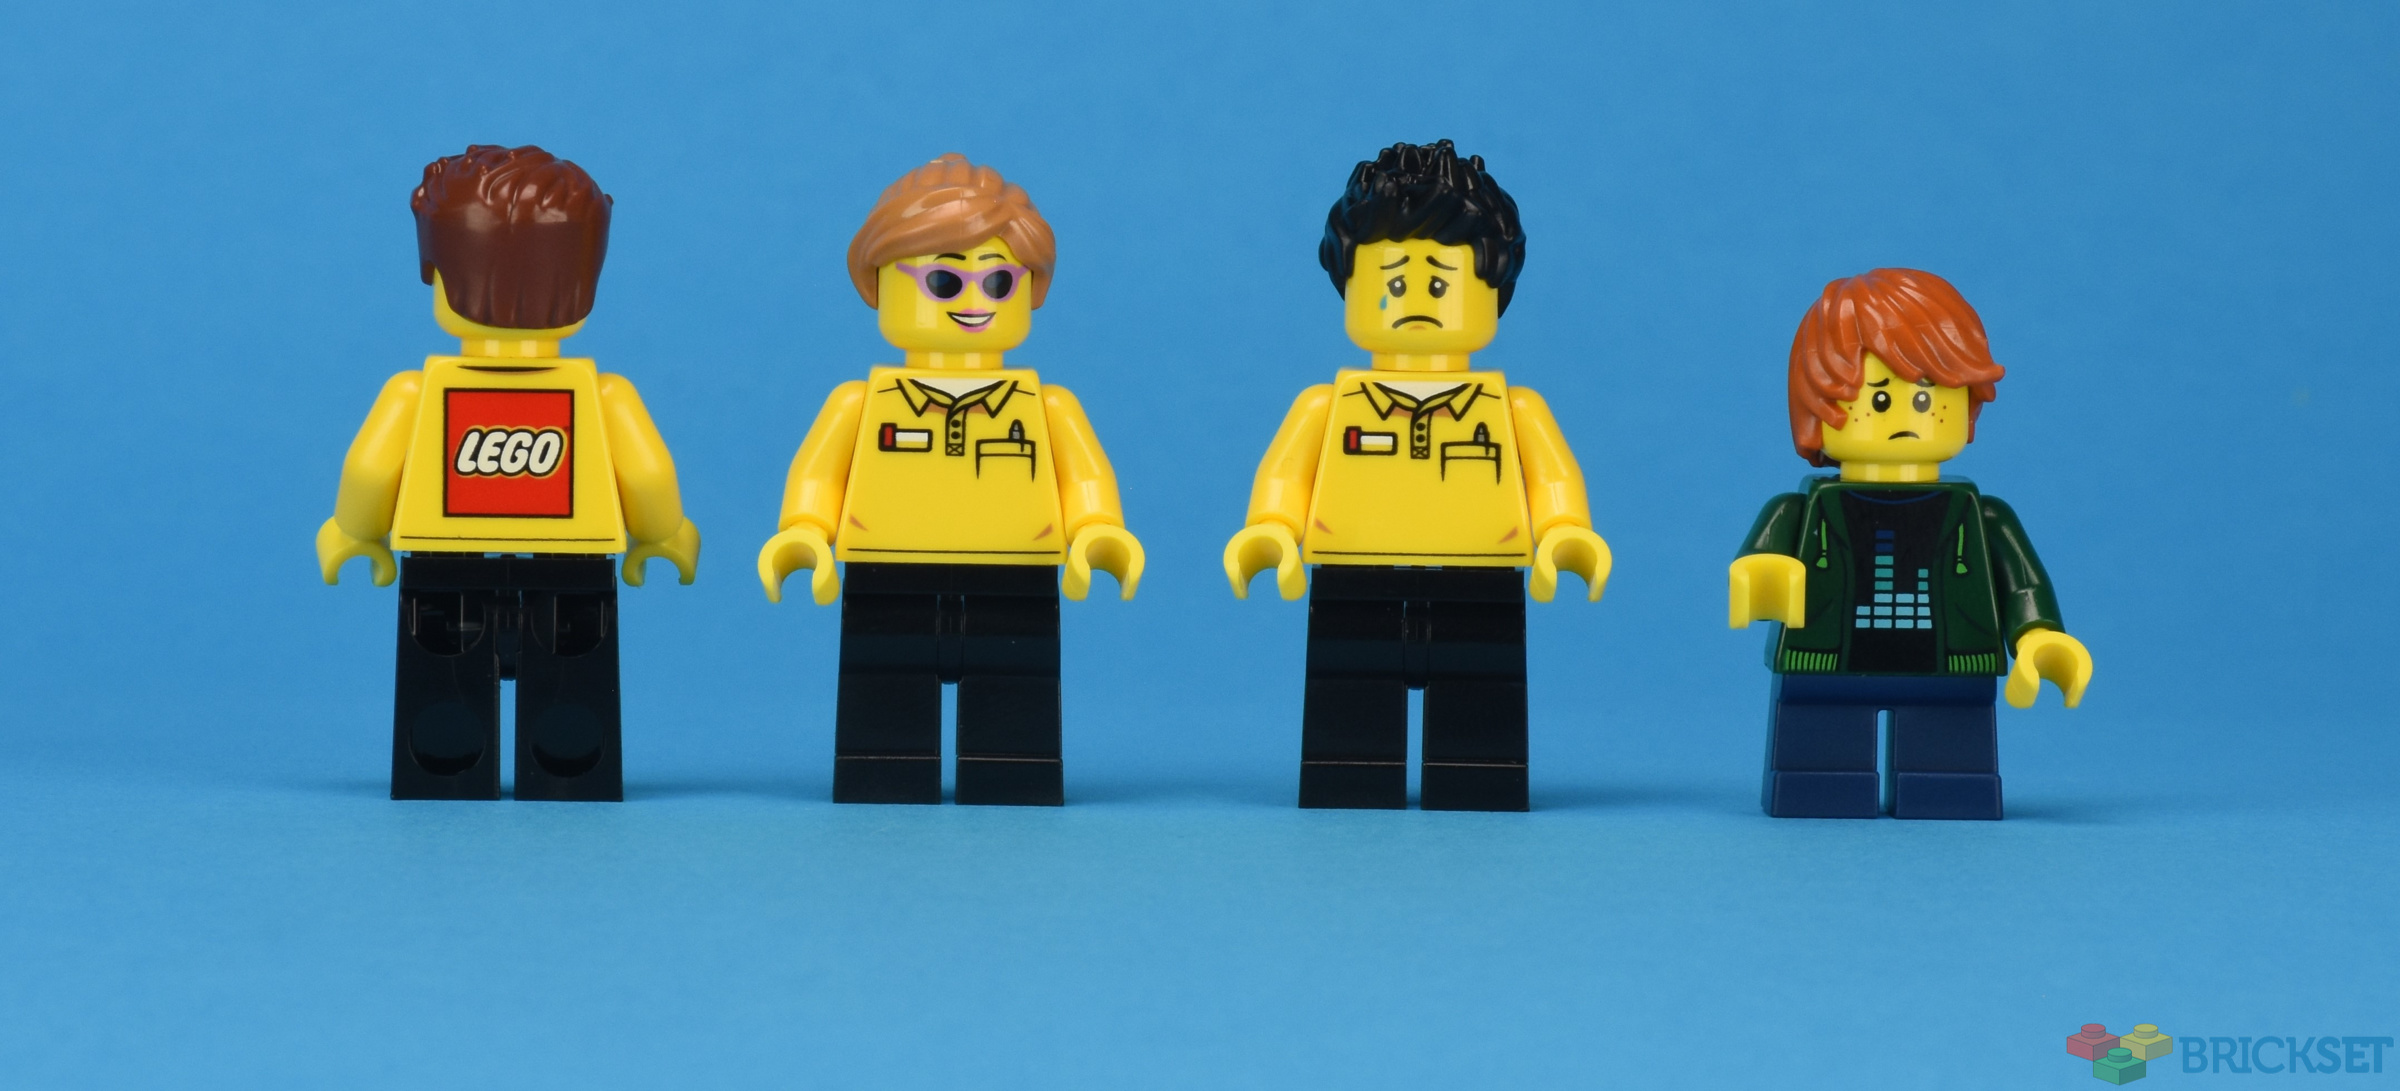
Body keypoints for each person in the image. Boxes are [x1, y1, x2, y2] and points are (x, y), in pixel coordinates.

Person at [1223, 139, 1611, 811]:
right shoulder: (1326, 406)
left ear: (1494, 290)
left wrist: (1566, 533)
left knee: (1481, 716)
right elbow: (1283, 477)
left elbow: (1555, 481)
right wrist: (1270, 530)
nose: (1417, 300)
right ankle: (1351, 771)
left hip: (1481, 577)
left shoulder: (1514, 409)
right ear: (1350, 287)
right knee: (1348, 715)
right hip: (1353, 576)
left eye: (1441, 283)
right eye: (1394, 282)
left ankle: (1477, 773)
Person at [758, 153, 1143, 807]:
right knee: (883, 703)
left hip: (1016, 572)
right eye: (942, 280)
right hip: (886, 568)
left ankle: (1010, 768)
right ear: (878, 284)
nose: (973, 302)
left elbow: (1086, 477)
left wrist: (1099, 530)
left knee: (1015, 703)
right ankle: (885, 768)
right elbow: (817, 474)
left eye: (998, 282)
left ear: (1031, 289)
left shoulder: (1048, 407)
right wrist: (803, 531)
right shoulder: (860, 403)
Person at [318, 144, 699, 801]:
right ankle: (569, 768)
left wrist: (353, 532)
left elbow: (370, 467)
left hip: (445, 557)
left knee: (443, 674)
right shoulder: (602, 394)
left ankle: (445, 767)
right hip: (571, 560)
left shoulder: (417, 392)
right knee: (572, 675)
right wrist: (664, 534)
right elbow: (647, 474)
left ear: (436, 272)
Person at [1729, 268, 2093, 819]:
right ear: (1817, 405)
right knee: (1819, 764)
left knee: (1949, 768)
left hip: (1949, 666)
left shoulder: (1982, 514)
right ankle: (1817, 785)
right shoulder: (1802, 509)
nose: (1906, 415)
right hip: (1827, 661)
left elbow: (2021, 582)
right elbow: (1762, 558)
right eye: (1878, 398)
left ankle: (1945, 787)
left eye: (1927, 396)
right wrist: (1761, 575)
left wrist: (2039, 636)